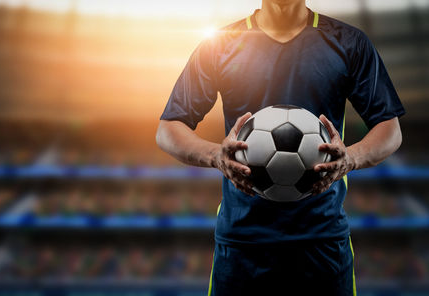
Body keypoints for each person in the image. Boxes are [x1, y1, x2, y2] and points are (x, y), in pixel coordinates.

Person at [155, 0, 405, 295]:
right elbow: (169, 129)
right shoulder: (219, 45)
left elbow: (390, 130)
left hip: (321, 242)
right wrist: (215, 156)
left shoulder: (349, 42)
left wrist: (350, 158)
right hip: (242, 246)